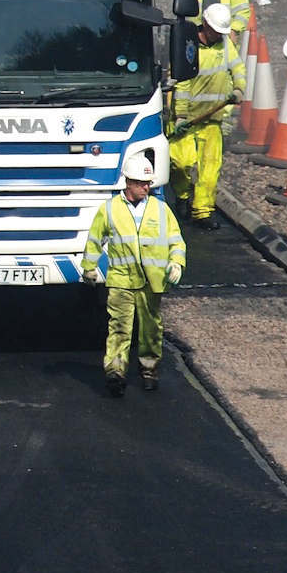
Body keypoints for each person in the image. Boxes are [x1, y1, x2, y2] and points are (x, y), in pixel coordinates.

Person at [83, 145, 186, 396]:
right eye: (141, 183)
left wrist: (176, 263)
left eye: (148, 183)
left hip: (152, 282)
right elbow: (95, 240)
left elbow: (176, 240)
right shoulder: (109, 209)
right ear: (128, 182)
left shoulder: (161, 210)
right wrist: (89, 268)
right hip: (121, 280)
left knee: (151, 329)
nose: (146, 187)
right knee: (119, 327)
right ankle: (115, 373)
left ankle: (149, 370)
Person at [167, 1, 245, 225]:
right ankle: (181, 196)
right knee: (180, 162)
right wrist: (180, 115)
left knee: (209, 168)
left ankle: (202, 211)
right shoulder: (188, 45)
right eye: (215, 31)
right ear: (205, 24)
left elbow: (238, 68)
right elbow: (181, 83)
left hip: (212, 118)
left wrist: (239, 88)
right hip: (186, 119)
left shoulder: (224, 45)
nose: (218, 36)